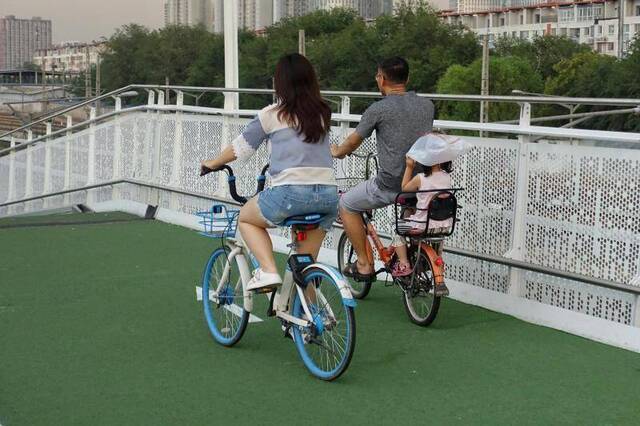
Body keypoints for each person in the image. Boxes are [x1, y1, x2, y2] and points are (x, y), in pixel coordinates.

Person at [201, 53, 338, 292]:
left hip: (290, 195)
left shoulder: (271, 114)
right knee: (304, 268)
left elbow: (240, 147)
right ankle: (310, 321)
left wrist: (213, 163)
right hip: (328, 197)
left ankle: (267, 271)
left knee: (246, 218)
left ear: (280, 83)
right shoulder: (322, 113)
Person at [331, 57, 435, 281]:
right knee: (408, 216)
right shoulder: (427, 105)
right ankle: (410, 259)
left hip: (390, 185)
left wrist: (338, 151)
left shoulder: (378, 109)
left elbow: (353, 141)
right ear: (407, 78)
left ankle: (364, 264)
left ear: (381, 79)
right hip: (422, 183)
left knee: (346, 204)